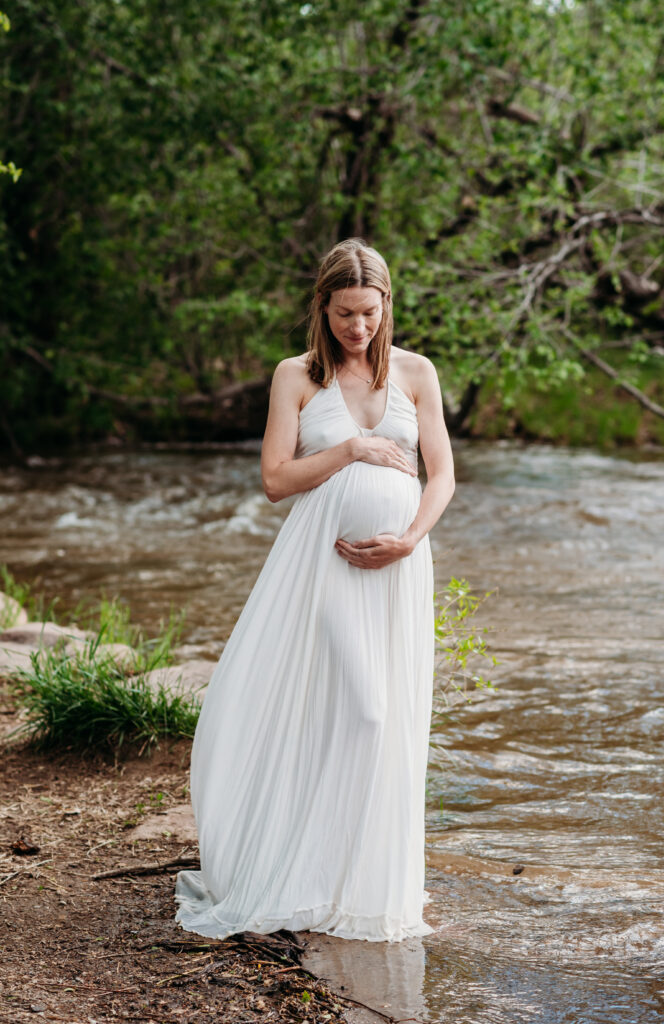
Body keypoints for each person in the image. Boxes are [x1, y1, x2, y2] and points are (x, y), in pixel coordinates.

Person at [174, 237, 455, 943]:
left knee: (387, 723)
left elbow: (443, 474)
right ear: (321, 308)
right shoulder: (296, 376)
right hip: (322, 564)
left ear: (387, 304)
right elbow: (275, 481)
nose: (357, 328)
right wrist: (350, 450)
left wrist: (411, 537)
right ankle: (298, 872)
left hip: (398, 569)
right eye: (343, 314)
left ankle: (358, 881)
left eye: (368, 312)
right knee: (360, 711)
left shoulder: (417, 373)